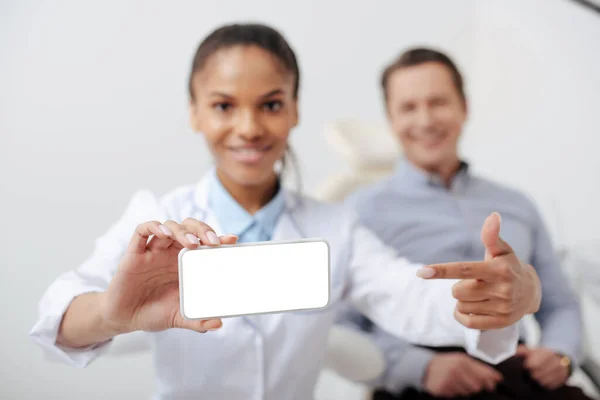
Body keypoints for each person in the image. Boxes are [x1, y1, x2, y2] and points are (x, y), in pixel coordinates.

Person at [29, 25, 541, 400]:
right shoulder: (157, 217)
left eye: (271, 104)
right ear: (195, 112)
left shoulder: (336, 227)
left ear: (295, 110)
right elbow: (59, 317)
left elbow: (411, 297)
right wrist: (112, 314)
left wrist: (510, 297)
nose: (249, 128)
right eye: (224, 106)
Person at [337, 47, 589, 400]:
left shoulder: (516, 205)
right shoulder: (361, 211)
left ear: (464, 107)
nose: (425, 120)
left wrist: (559, 354)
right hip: (421, 384)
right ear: (391, 119)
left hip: (518, 371)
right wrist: (420, 367)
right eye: (408, 107)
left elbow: (559, 302)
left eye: (438, 102)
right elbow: (340, 326)